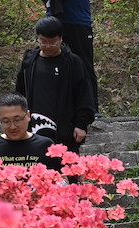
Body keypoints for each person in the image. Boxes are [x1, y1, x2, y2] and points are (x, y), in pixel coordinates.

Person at [32, 0, 102, 114]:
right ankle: (60, 107)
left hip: (80, 22)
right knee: (56, 65)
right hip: (54, 23)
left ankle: (91, 108)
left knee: (85, 65)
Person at [15, 16, 94, 154]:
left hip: (65, 132)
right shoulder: (29, 61)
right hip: (34, 131)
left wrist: (81, 124)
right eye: (43, 42)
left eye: (52, 42)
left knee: (68, 172)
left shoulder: (72, 63)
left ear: (61, 38)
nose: (48, 46)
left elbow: (84, 94)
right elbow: (19, 92)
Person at [0, 93, 60, 171]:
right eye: (6, 121)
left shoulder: (45, 145)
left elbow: (61, 180)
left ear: (28, 115)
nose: (12, 126)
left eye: (17, 120)